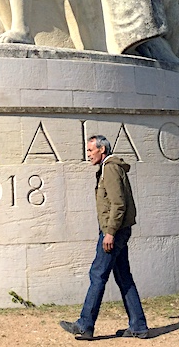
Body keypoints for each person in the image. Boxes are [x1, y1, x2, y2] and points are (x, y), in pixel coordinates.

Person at [60, 135, 149, 340]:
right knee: (123, 277)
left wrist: (109, 232)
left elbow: (118, 204)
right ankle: (138, 326)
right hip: (117, 230)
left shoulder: (109, 168)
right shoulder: (108, 168)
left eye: (91, 150)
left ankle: (85, 325)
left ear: (102, 150)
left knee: (97, 274)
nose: (88, 154)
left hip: (113, 232)